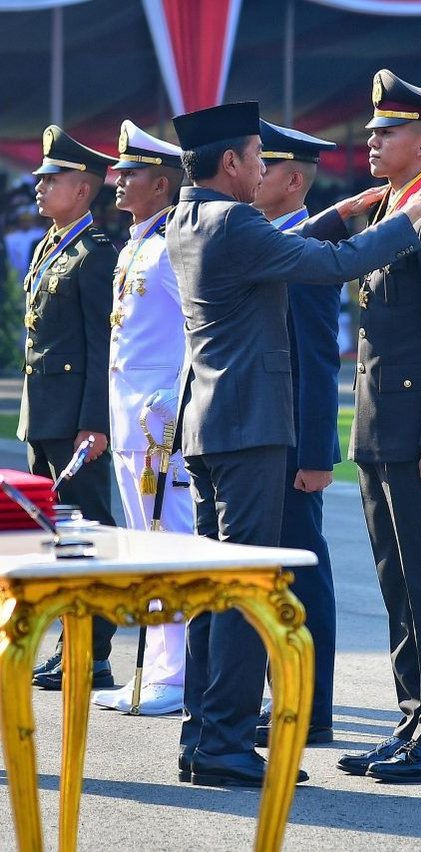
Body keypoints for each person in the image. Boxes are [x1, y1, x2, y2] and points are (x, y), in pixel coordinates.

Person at [166, 99, 421, 789]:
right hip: (251, 430)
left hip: (210, 428)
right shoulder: (236, 221)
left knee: (214, 587)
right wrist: (407, 218)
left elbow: (300, 244)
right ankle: (229, 744)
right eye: (258, 159)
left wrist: (346, 208)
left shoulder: (187, 219)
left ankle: (203, 733)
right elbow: (329, 265)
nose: (265, 169)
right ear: (233, 163)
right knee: (245, 585)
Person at [337, 69, 421, 782]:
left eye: (386, 132)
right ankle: (412, 719)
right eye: (370, 131)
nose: (371, 141)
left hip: (417, 429)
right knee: (397, 584)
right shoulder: (391, 210)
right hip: (377, 425)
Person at [92, 120, 193, 715]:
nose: (118, 181)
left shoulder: (170, 245)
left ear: (160, 184)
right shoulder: (135, 243)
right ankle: (153, 671)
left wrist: (173, 402)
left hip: (160, 427)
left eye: (129, 174)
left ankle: (173, 677)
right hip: (132, 423)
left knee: (170, 545)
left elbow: (194, 330)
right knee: (143, 549)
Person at [252, 120, 343, 747]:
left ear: (292, 179)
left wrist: (314, 454)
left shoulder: (305, 248)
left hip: (290, 446)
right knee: (273, 576)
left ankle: (309, 709)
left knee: (302, 577)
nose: (254, 177)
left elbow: (318, 360)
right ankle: (286, 697)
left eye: (266, 168)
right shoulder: (272, 239)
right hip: (265, 438)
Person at [17, 125, 118, 690]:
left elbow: (102, 345)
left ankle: (92, 653)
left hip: (76, 422)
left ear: (82, 190)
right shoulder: (48, 247)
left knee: (87, 535)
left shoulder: (95, 254)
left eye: (51, 179)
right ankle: (67, 642)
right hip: (45, 416)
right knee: (55, 538)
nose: (39, 187)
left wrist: (94, 423)